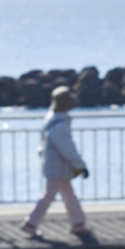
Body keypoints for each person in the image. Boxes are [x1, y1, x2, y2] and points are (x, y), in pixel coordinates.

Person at [22, 87, 90, 236]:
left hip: (55, 165)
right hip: (58, 166)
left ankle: (78, 222)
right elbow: (68, 149)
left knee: (66, 193)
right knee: (51, 195)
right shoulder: (60, 124)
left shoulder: (52, 118)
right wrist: (80, 165)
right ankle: (31, 223)